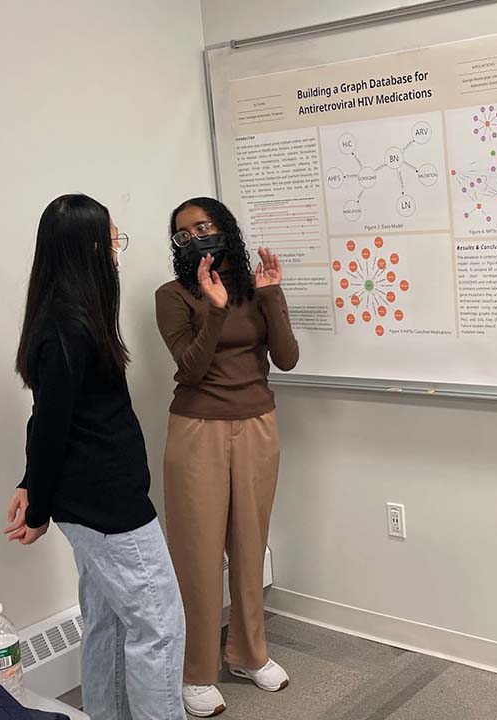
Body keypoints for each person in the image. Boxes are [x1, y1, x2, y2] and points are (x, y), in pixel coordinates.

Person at [4, 194, 185, 719]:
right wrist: (37, 507)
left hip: (92, 503)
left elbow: (49, 415)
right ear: (85, 251)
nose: (116, 251)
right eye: (110, 241)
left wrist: (31, 484)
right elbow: (50, 428)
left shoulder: (70, 318)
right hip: (107, 508)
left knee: (110, 622)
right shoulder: (67, 328)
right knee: (159, 627)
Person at [155, 197, 299, 717]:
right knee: (197, 553)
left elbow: (286, 358)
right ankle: (195, 671)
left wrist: (272, 295)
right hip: (197, 430)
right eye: (184, 233)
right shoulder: (172, 296)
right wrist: (214, 312)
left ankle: (248, 654)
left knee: (249, 542)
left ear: (225, 228)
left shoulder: (254, 288)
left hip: (259, 424)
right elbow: (190, 370)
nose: (196, 237)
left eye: (204, 226)